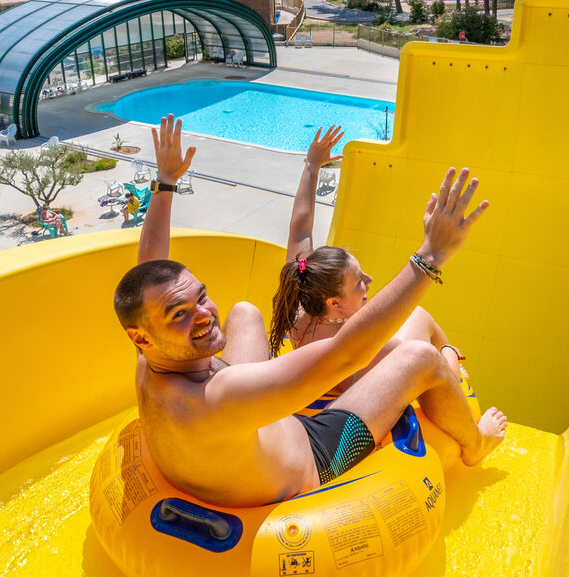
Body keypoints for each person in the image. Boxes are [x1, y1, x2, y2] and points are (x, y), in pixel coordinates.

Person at [113, 115, 506, 508]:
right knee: (420, 357)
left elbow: (145, 268)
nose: (203, 314)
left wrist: (164, 184)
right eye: (179, 314)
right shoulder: (219, 396)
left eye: (201, 297)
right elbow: (348, 354)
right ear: (142, 335)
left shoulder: (148, 354)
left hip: (244, 435)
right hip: (314, 453)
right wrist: (431, 255)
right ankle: (477, 443)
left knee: (246, 312)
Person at [269, 127, 472, 392]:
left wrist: (312, 165)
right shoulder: (359, 343)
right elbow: (429, 372)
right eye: (358, 282)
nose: (369, 280)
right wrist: (448, 355)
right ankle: (453, 355)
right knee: (422, 321)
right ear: (334, 303)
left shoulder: (303, 297)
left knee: (417, 319)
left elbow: (301, 227)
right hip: (359, 385)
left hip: (332, 373)